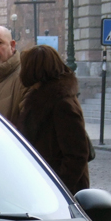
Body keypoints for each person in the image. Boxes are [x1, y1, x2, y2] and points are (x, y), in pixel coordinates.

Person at [14, 44, 92, 194]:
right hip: (45, 182)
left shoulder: (62, 104)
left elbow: (77, 155)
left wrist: (57, 188)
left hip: (60, 189)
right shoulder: (41, 98)